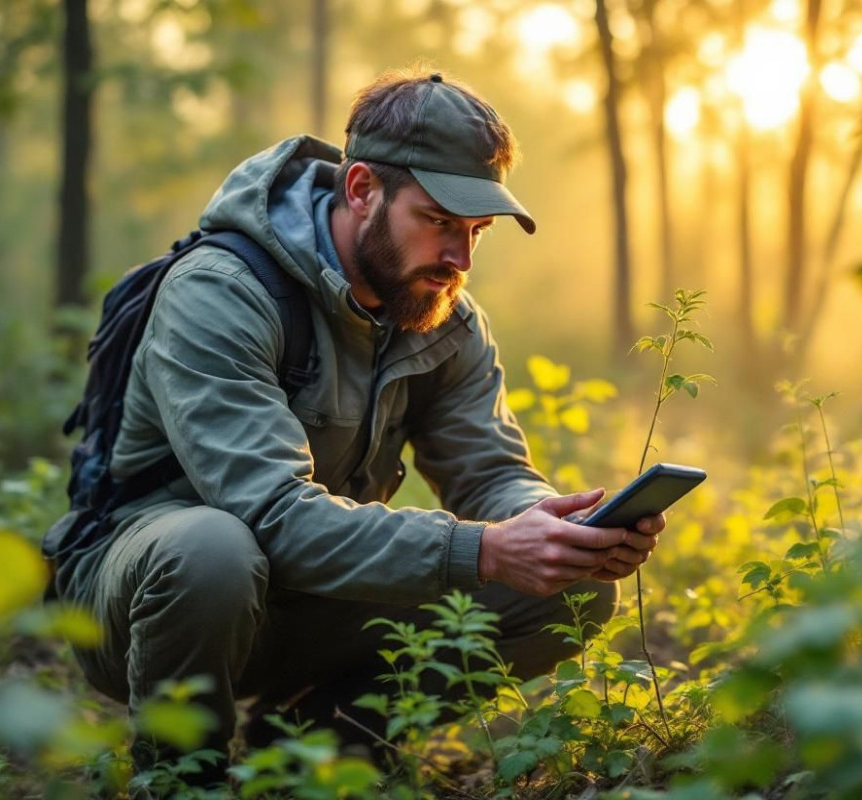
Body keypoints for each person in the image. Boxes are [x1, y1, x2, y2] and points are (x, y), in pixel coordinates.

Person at [57, 68, 666, 770]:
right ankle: (182, 776)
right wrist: (487, 550)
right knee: (213, 549)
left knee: (577, 591)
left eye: (476, 231)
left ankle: (308, 752)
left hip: (311, 597)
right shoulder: (222, 291)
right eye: (438, 222)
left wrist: (558, 530)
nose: (459, 259)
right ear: (361, 189)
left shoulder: (445, 320)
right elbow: (271, 516)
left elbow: (491, 473)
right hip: (156, 599)